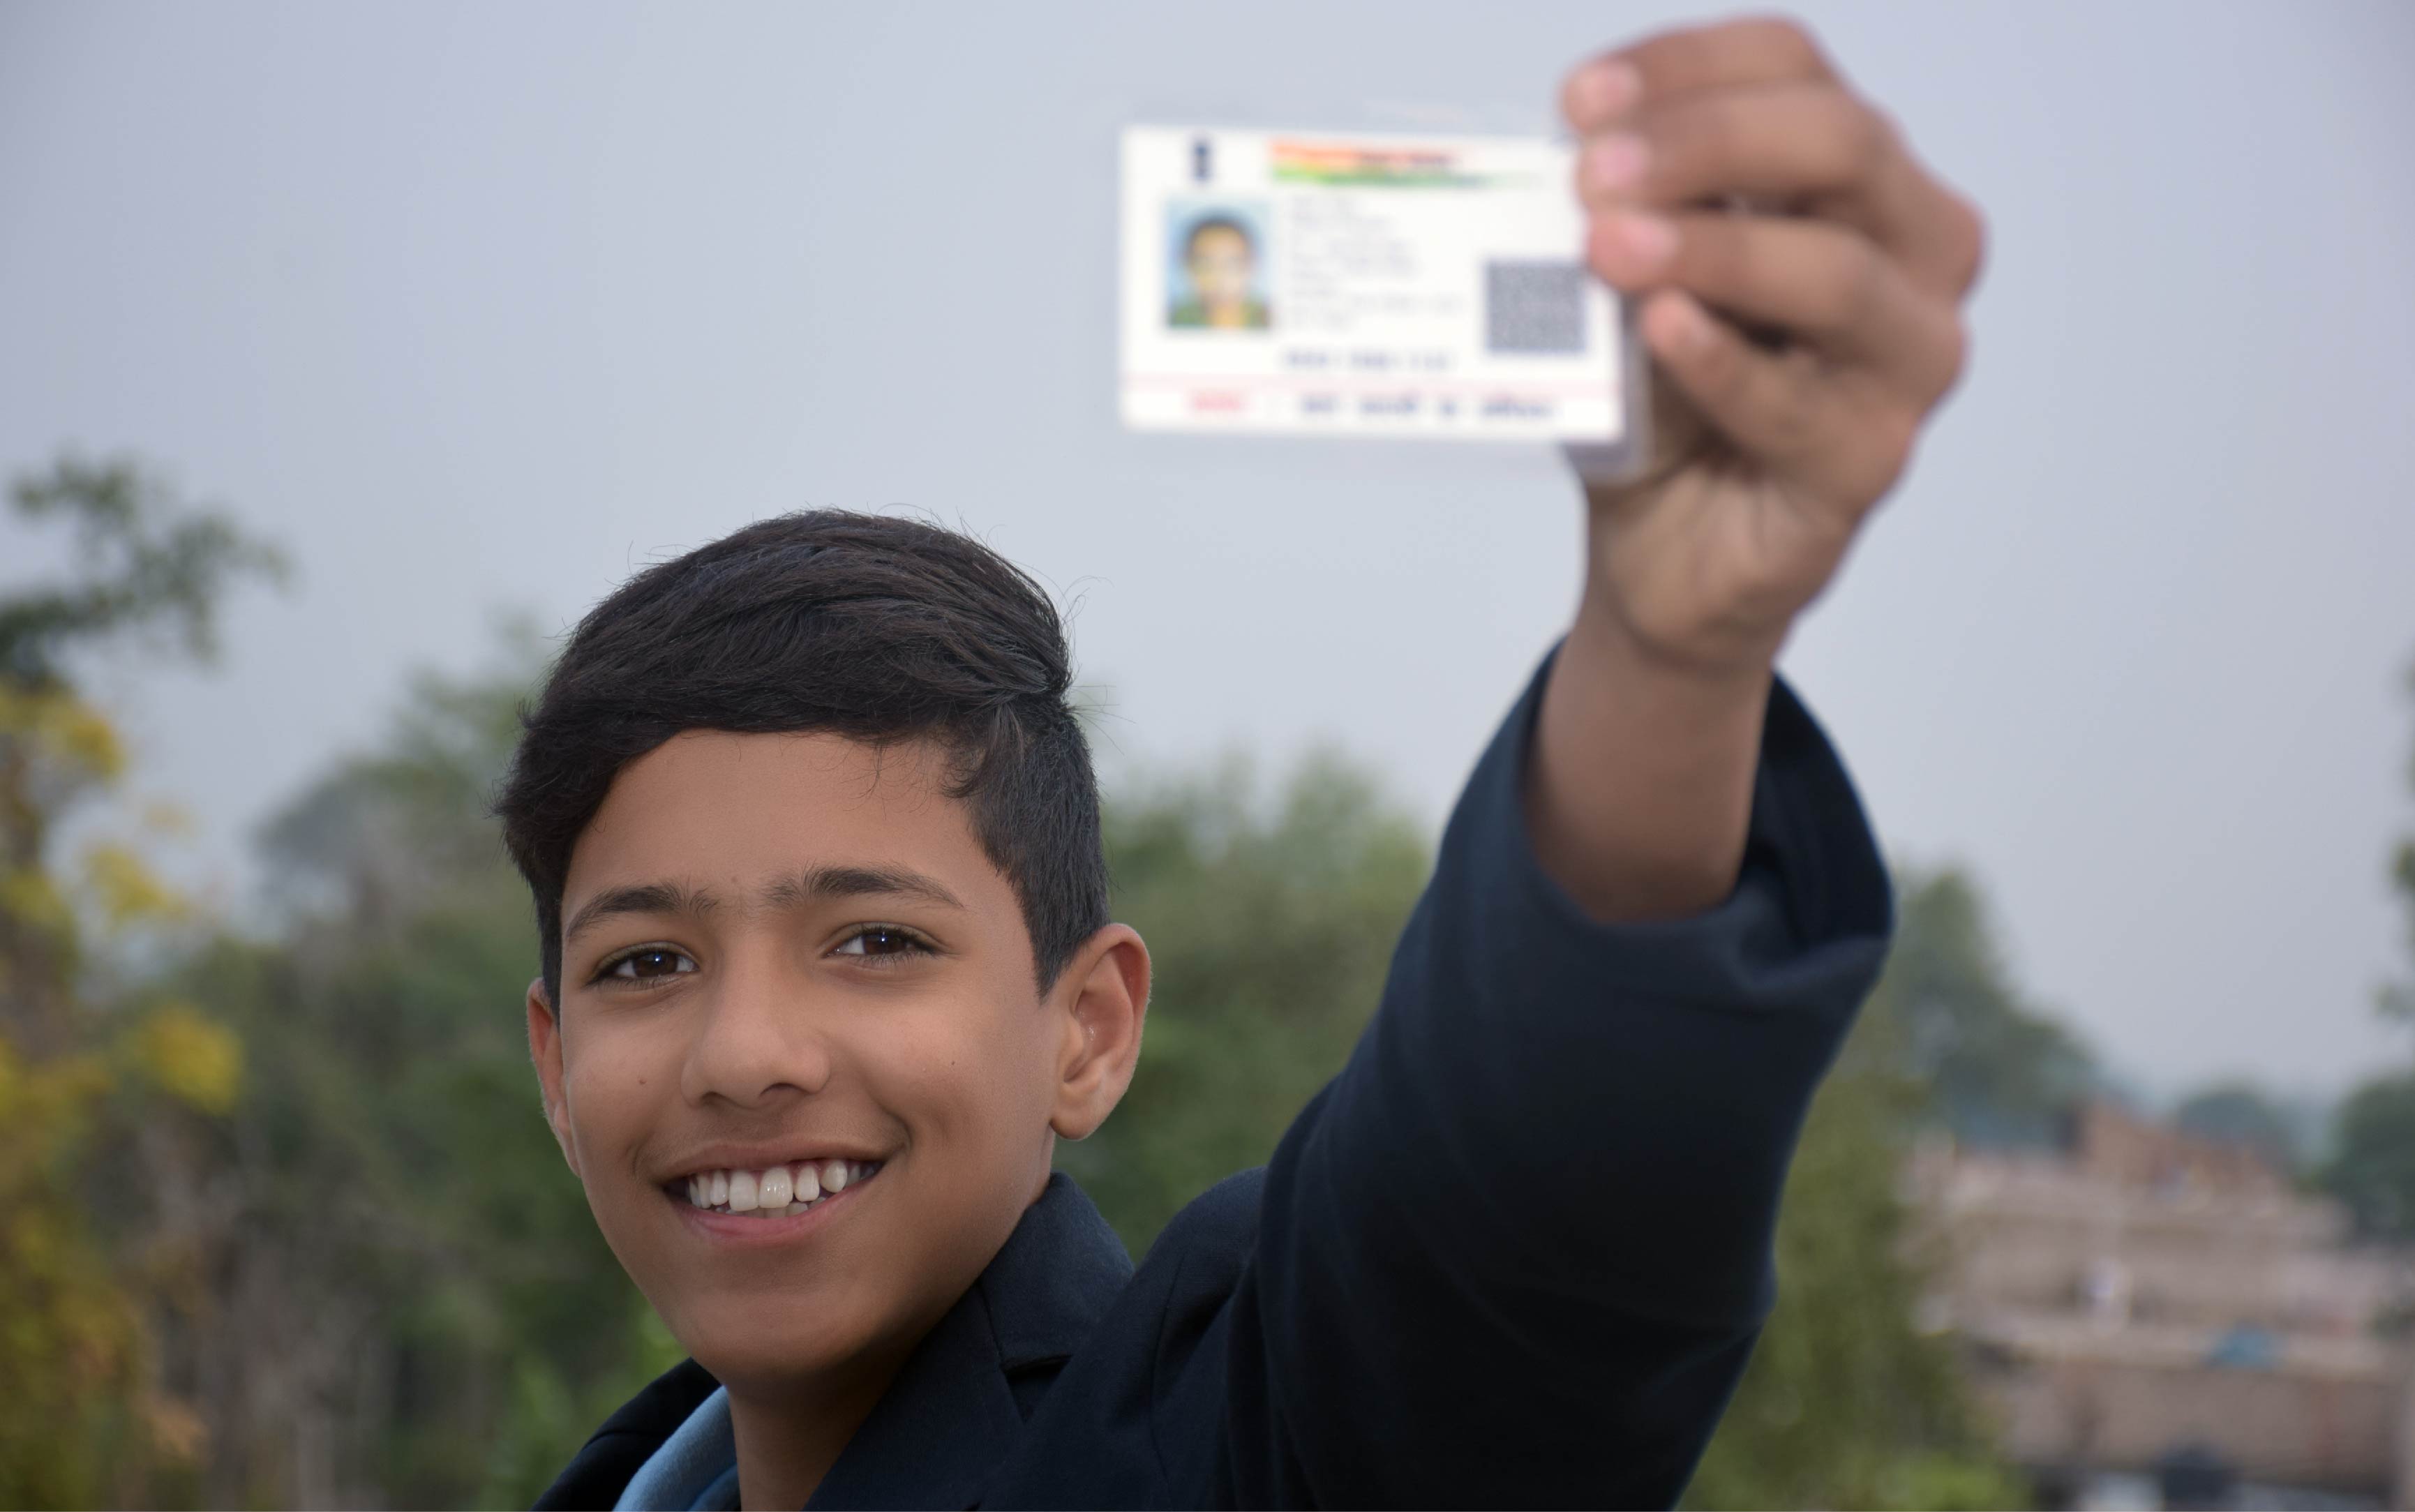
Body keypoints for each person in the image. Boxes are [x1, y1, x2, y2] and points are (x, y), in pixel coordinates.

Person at [516, 16, 1982, 1509]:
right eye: (645, 963)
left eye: (876, 940)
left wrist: (1669, 656)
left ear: (1085, 1030)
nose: (749, 1051)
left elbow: (1506, 1269)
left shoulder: (1230, 1449)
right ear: (556, 1070)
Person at [1168, 213, 1271, 329]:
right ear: (1188, 266)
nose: (1219, 279)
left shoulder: (1269, 319)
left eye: (1232, 265)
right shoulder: (1174, 319)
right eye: (1205, 266)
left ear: (1252, 266)